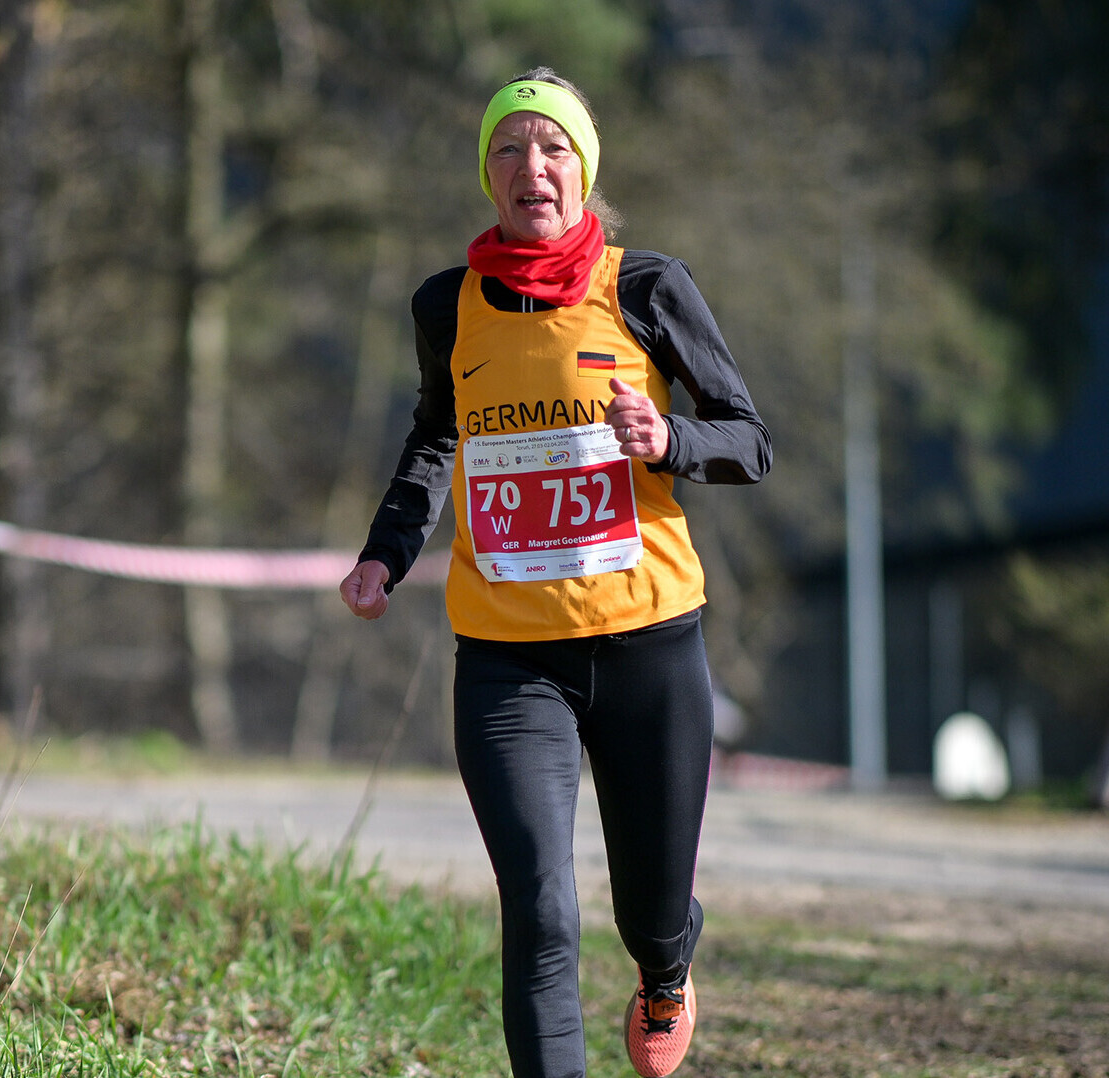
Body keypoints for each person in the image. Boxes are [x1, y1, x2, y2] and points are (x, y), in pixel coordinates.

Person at [340, 68, 769, 1078]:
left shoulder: (644, 288)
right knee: (537, 904)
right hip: (505, 660)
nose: (530, 167)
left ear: (582, 170)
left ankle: (665, 970)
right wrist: (384, 552)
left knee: (649, 907)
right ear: (485, 176)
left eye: (552, 148)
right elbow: (433, 440)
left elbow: (749, 441)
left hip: (648, 641)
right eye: (506, 150)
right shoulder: (445, 306)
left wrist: (666, 437)